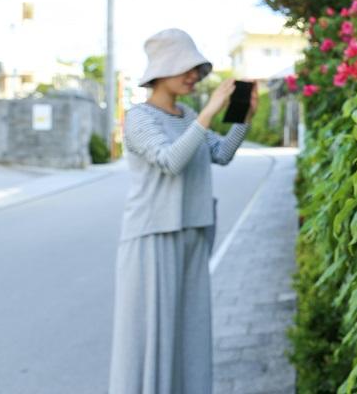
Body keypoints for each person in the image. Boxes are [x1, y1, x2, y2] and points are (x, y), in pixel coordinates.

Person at [109, 28, 256, 394]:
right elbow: (170, 160)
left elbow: (220, 154)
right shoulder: (140, 118)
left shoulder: (187, 113)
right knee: (149, 335)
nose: (193, 75)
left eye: (196, 68)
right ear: (161, 70)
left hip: (193, 231)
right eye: (185, 67)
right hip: (152, 237)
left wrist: (243, 118)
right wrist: (207, 114)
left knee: (189, 332)